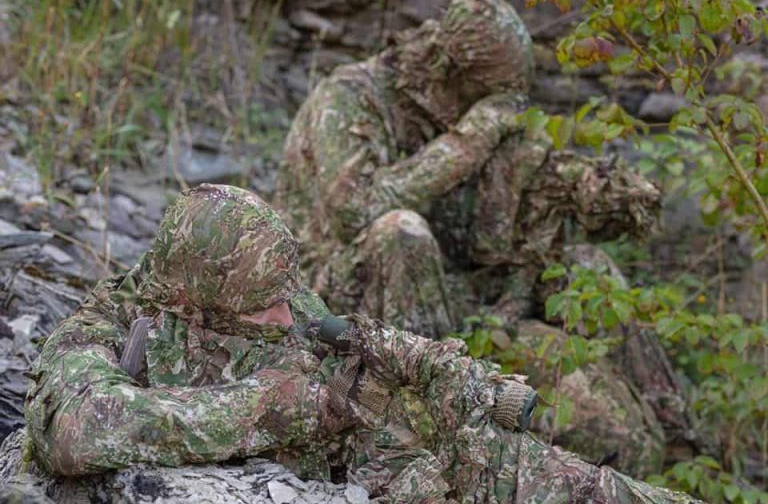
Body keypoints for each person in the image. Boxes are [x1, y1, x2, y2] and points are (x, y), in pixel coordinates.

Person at [24, 184, 698, 503]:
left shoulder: (276, 299)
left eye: (289, 295)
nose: (289, 314)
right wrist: (270, 407)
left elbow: (331, 357)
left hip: (391, 466)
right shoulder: (106, 326)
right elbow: (78, 430)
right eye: (268, 306)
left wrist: (421, 377)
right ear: (190, 299)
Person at [275, 0, 662, 341]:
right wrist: (469, 141)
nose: (495, 110)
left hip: (450, 283)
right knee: (401, 232)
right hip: (335, 289)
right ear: (448, 72)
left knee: (590, 269)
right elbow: (355, 211)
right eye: (487, 96)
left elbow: (501, 222)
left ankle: (664, 415)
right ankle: (424, 396)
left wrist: (590, 187)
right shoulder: (349, 97)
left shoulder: (462, 110)